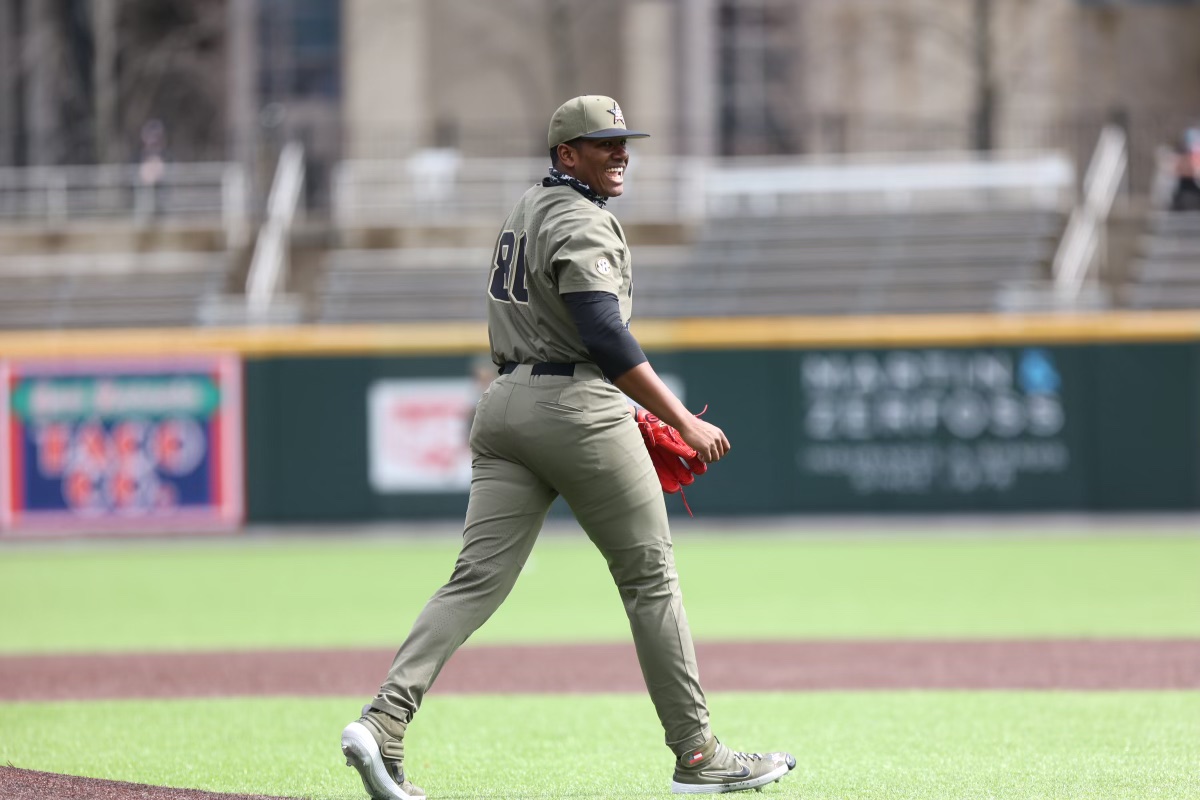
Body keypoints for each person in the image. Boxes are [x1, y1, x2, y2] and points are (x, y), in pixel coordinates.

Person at [340, 95, 797, 798]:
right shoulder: (583, 220)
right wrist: (680, 417)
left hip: (505, 406)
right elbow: (605, 335)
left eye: (623, 140)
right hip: (576, 407)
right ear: (566, 155)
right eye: (602, 142)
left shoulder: (527, 209)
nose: (620, 153)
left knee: (473, 581)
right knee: (650, 578)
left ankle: (385, 721)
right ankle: (698, 754)